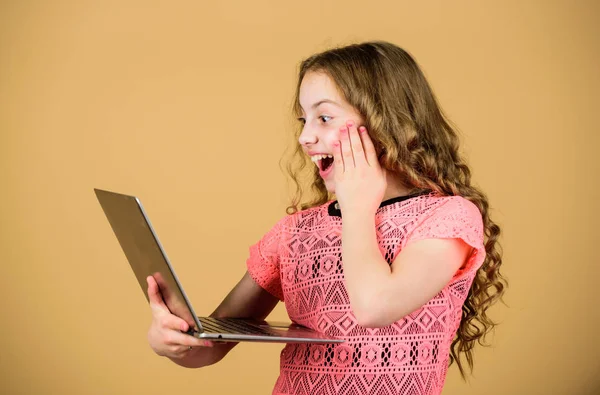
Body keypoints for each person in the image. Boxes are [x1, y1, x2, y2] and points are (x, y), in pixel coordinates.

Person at [145, 41, 507, 395]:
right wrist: (176, 340)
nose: (304, 136)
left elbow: (374, 306)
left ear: (387, 122)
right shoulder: (294, 233)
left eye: (324, 117)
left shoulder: (448, 220)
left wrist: (358, 207)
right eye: (304, 120)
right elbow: (210, 348)